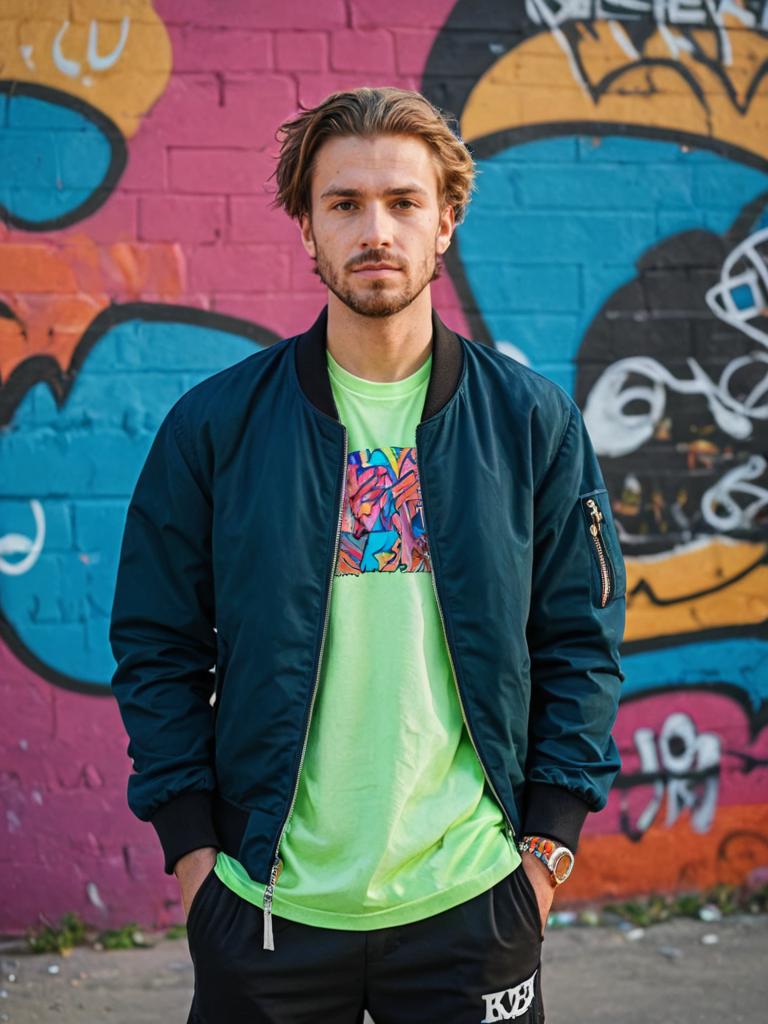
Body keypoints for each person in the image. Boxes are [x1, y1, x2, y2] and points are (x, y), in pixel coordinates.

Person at [109, 86, 627, 1024]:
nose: (374, 229)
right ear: (306, 227)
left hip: (473, 901)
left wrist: (547, 851)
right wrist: (195, 860)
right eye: (343, 203)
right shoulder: (217, 428)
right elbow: (156, 644)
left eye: (403, 202)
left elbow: (580, 641)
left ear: (446, 221)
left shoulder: (530, 424)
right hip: (265, 908)